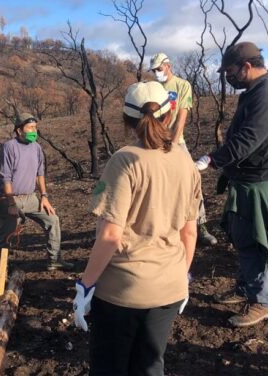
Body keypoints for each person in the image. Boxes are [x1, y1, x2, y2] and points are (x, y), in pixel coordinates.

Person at [73, 81, 201, 375]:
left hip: (122, 291)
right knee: (150, 364)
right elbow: (189, 232)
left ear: (128, 121)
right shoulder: (187, 163)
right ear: (169, 116)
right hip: (170, 288)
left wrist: (85, 287)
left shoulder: (124, 160)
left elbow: (110, 235)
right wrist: (182, 275)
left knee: (111, 367)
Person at [195, 42, 268, 327]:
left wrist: (211, 159)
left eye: (230, 71)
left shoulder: (267, 94)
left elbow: (248, 139)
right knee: (241, 232)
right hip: (250, 175)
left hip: (260, 177)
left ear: (246, 67)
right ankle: (246, 288)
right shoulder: (256, 91)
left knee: (253, 238)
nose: (228, 77)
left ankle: (263, 302)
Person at [150, 52, 218, 246]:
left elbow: (181, 118)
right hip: (153, 142)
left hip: (175, 142)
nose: (156, 73)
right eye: (153, 70)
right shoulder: (152, 87)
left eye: (159, 69)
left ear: (168, 66)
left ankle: (200, 225)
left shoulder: (182, 85)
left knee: (192, 180)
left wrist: (171, 144)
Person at [0, 113, 73, 271]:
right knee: (7, 235)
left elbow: (40, 174)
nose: (34, 131)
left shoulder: (36, 147)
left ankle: (54, 259)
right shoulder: (9, 147)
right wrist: (11, 203)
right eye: (30, 127)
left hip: (31, 198)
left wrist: (44, 196)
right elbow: (6, 177)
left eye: (35, 127)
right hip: (10, 198)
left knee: (53, 220)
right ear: (19, 130)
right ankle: (0, 268)